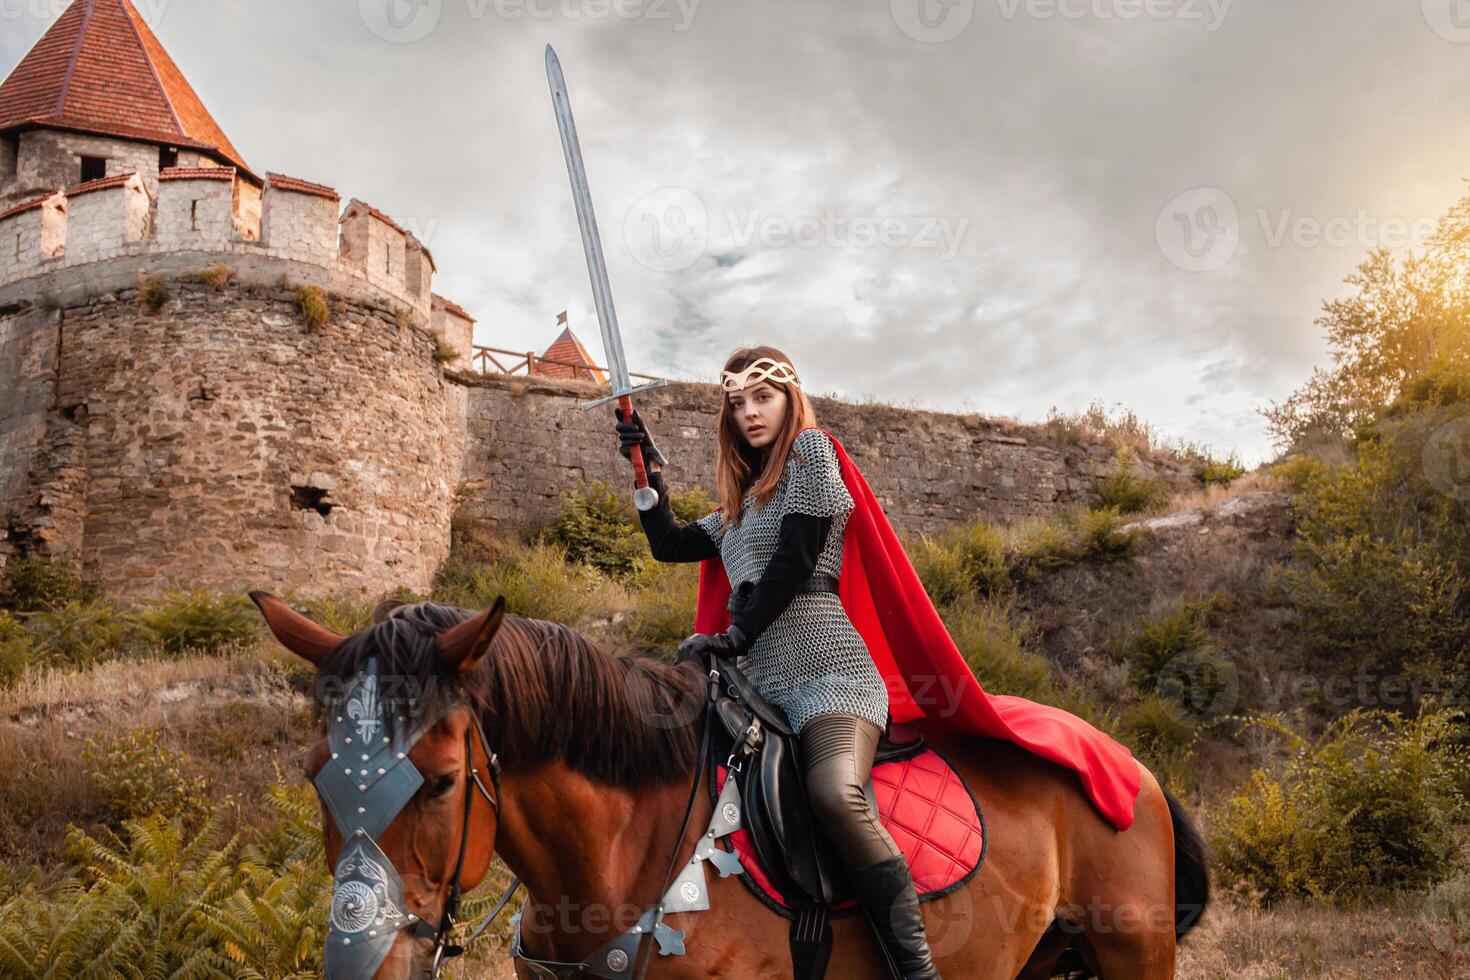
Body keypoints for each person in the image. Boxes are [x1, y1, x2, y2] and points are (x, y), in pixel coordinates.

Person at [614, 345, 942, 979]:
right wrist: (647, 474)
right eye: (737, 403)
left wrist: (735, 634)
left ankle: (915, 968)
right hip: (754, 686)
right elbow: (670, 545)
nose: (750, 412)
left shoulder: (812, 456)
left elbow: (794, 561)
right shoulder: (738, 508)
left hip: (830, 674)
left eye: (762, 397)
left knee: (834, 795)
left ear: (791, 399)